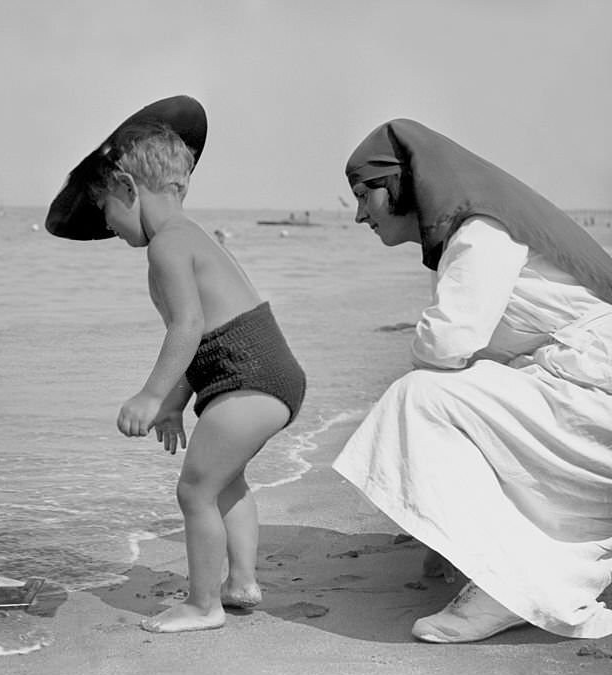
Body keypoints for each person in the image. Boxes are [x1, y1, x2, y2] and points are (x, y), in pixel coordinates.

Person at [333, 118, 612, 643]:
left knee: (417, 398)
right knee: (453, 392)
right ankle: (500, 562)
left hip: (596, 395)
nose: (357, 214)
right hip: (590, 390)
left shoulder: (479, 231)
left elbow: (445, 344)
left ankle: (509, 585)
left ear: (400, 183)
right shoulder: (480, 226)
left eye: (362, 193)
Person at [46, 96, 305, 633]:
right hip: (264, 374)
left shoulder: (166, 247)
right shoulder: (191, 238)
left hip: (247, 377)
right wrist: (174, 404)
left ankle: (204, 604)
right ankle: (242, 582)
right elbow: (207, 334)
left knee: (194, 491)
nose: (109, 227)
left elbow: (185, 328)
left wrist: (148, 395)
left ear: (127, 189)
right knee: (226, 481)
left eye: (106, 211)